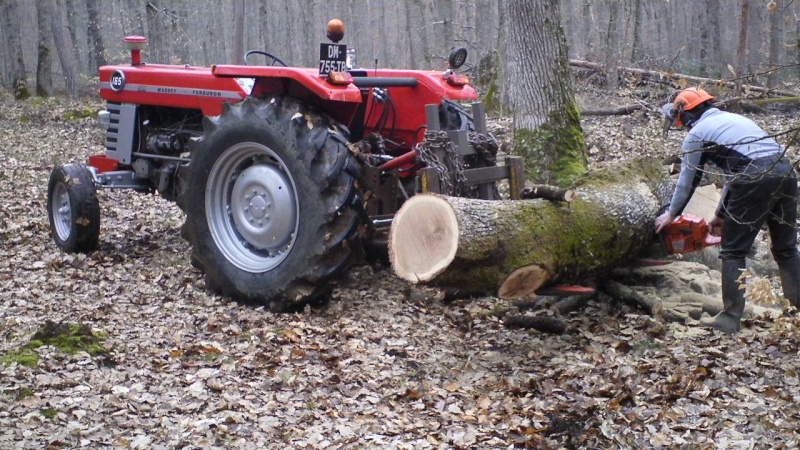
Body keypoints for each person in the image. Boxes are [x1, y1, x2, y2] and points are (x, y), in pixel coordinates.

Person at [655, 87, 800, 333]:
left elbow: (688, 179)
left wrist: (671, 212)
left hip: (754, 178)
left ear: (687, 114)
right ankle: (795, 311)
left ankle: (729, 319)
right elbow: (737, 172)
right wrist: (720, 214)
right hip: (785, 172)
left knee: (732, 251)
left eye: (682, 122)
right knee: (786, 249)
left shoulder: (698, 133)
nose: (684, 128)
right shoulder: (732, 120)